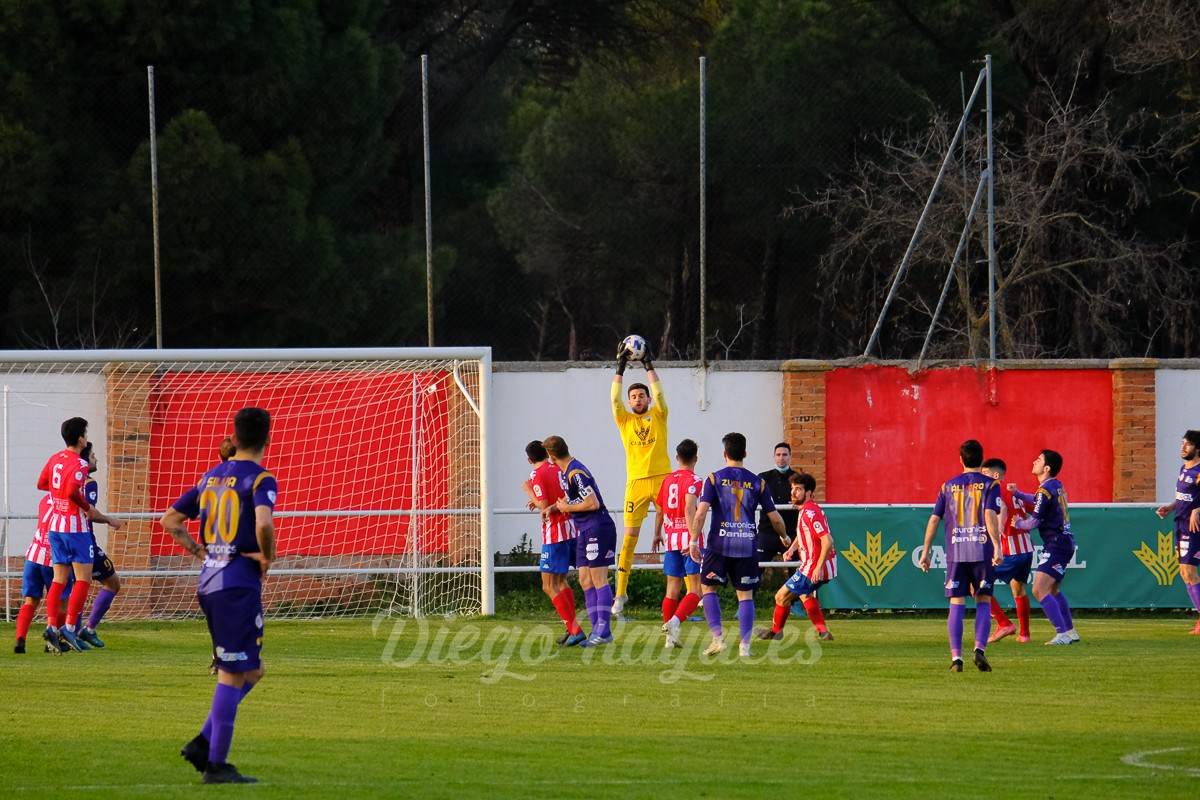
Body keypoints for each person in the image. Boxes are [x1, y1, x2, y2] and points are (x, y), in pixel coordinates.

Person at [162, 407, 276, 784]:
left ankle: (203, 742)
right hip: (236, 582)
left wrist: (200, 551)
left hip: (210, 579)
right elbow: (262, 522)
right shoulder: (260, 479)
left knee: (253, 670)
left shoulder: (211, 477)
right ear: (267, 438)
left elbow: (170, 520)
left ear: (236, 436)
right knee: (231, 675)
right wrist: (267, 557)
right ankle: (215, 765)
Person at [688, 432, 787, 657]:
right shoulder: (758, 482)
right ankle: (745, 647)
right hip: (747, 545)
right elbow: (775, 518)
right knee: (745, 595)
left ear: (725, 454)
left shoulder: (713, 479)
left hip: (718, 544)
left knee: (708, 589)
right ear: (745, 454)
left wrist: (694, 540)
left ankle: (718, 639)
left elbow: (701, 512)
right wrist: (785, 537)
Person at [919, 439, 1003, 673]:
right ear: (981, 459)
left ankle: (957, 659)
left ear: (960, 459)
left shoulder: (947, 486)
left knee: (956, 603)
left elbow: (935, 519)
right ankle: (979, 649)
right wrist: (997, 546)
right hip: (982, 550)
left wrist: (925, 551)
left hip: (956, 551)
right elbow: (989, 513)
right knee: (983, 600)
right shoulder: (991, 484)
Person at [609, 338, 670, 617]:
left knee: (679, 534)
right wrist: (620, 367)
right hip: (635, 484)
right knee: (629, 540)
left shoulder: (659, 415)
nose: (637, 400)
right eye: (633, 397)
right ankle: (620, 595)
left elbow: (659, 394)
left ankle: (694, 594)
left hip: (662, 481)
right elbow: (613, 398)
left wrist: (648, 364)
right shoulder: (625, 420)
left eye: (640, 396)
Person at [546, 435, 617, 647]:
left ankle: (603, 632)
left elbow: (592, 502)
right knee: (585, 580)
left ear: (551, 457)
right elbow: (572, 497)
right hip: (584, 530)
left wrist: (567, 508)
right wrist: (556, 507)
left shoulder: (576, 472)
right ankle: (597, 630)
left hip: (598, 527)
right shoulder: (567, 471)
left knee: (598, 579)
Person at [1009, 449, 1080, 645]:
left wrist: (1018, 523)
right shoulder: (1054, 485)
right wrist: (1018, 494)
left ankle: (1062, 633)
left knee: (1039, 589)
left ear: (1046, 468)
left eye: (1038, 460)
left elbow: (1033, 522)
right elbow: (1039, 500)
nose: (1034, 461)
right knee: (1053, 589)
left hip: (1056, 544)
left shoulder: (1045, 489)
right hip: (1063, 542)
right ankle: (1070, 632)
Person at [36, 417, 95, 653]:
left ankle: (52, 626)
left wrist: (57, 493)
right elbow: (71, 490)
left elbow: (42, 484)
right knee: (83, 578)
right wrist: (87, 508)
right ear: (81, 438)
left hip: (55, 526)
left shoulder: (54, 459)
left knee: (59, 579)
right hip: (75, 527)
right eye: (86, 434)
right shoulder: (79, 464)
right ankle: (69, 626)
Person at [757, 472, 837, 642]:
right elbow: (804, 534)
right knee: (805, 595)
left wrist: (817, 567)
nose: (793, 493)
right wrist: (791, 549)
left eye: (798, 489)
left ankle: (776, 632)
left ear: (809, 493)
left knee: (780, 596)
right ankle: (824, 633)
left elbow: (827, 540)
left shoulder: (810, 513)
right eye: (793, 489)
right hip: (814, 565)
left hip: (812, 566)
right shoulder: (807, 510)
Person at [520, 440, 585, 647]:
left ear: (529, 460)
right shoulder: (557, 467)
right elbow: (560, 495)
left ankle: (575, 630)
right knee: (561, 581)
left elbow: (545, 505)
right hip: (571, 528)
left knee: (548, 585)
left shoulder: (535, 475)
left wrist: (530, 492)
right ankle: (572, 628)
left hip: (554, 532)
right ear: (547, 454)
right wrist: (539, 499)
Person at [653, 439, 704, 649]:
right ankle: (674, 622)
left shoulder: (667, 481)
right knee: (696, 590)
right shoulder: (696, 480)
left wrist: (656, 533)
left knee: (671, 589)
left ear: (677, 458)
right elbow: (690, 508)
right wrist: (693, 540)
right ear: (695, 458)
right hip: (688, 540)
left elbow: (660, 509)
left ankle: (669, 640)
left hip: (671, 538)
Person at [74, 443, 124, 648]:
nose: (96, 459)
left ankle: (72, 633)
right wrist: (109, 520)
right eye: (93, 456)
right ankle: (87, 630)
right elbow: (90, 512)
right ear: (85, 460)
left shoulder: (67, 481)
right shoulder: (89, 482)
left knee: (73, 586)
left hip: (63, 539)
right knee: (112, 583)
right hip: (86, 543)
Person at [980, 458, 1034, 643]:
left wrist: (1001, 525)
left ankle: (1004, 623)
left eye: (984, 474)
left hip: (1010, 548)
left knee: (977, 584)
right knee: (1018, 589)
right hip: (1026, 549)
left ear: (995, 475)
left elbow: (1001, 507)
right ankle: (1024, 635)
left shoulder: (997, 488)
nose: (981, 478)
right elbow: (1034, 509)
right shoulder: (1014, 491)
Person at [13, 495, 73, 654]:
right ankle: (52, 642)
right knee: (61, 601)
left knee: (30, 601)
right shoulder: (68, 503)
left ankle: (20, 640)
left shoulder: (45, 499)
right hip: (53, 559)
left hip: (33, 557)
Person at [1156, 430, 1200, 633]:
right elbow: (1184, 496)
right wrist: (1171, 507)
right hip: (1180, 523)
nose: (1183, 447)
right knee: (1184, 573)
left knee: (1190, 572)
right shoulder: (1184, 468)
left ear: (1197, 449)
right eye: (1182, 443)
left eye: (1188, 444)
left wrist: (1197, 510)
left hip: (1194, 527)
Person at [756, 443, 798, 565]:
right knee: (756, 569)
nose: (781, 458)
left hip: (790, 532)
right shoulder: (762, 478)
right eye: (778, 455)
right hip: (766, 531)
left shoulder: (798, 479)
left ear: (790, 457)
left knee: (795, 569)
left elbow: (805, 501)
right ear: (774, 457)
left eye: (785, 455)